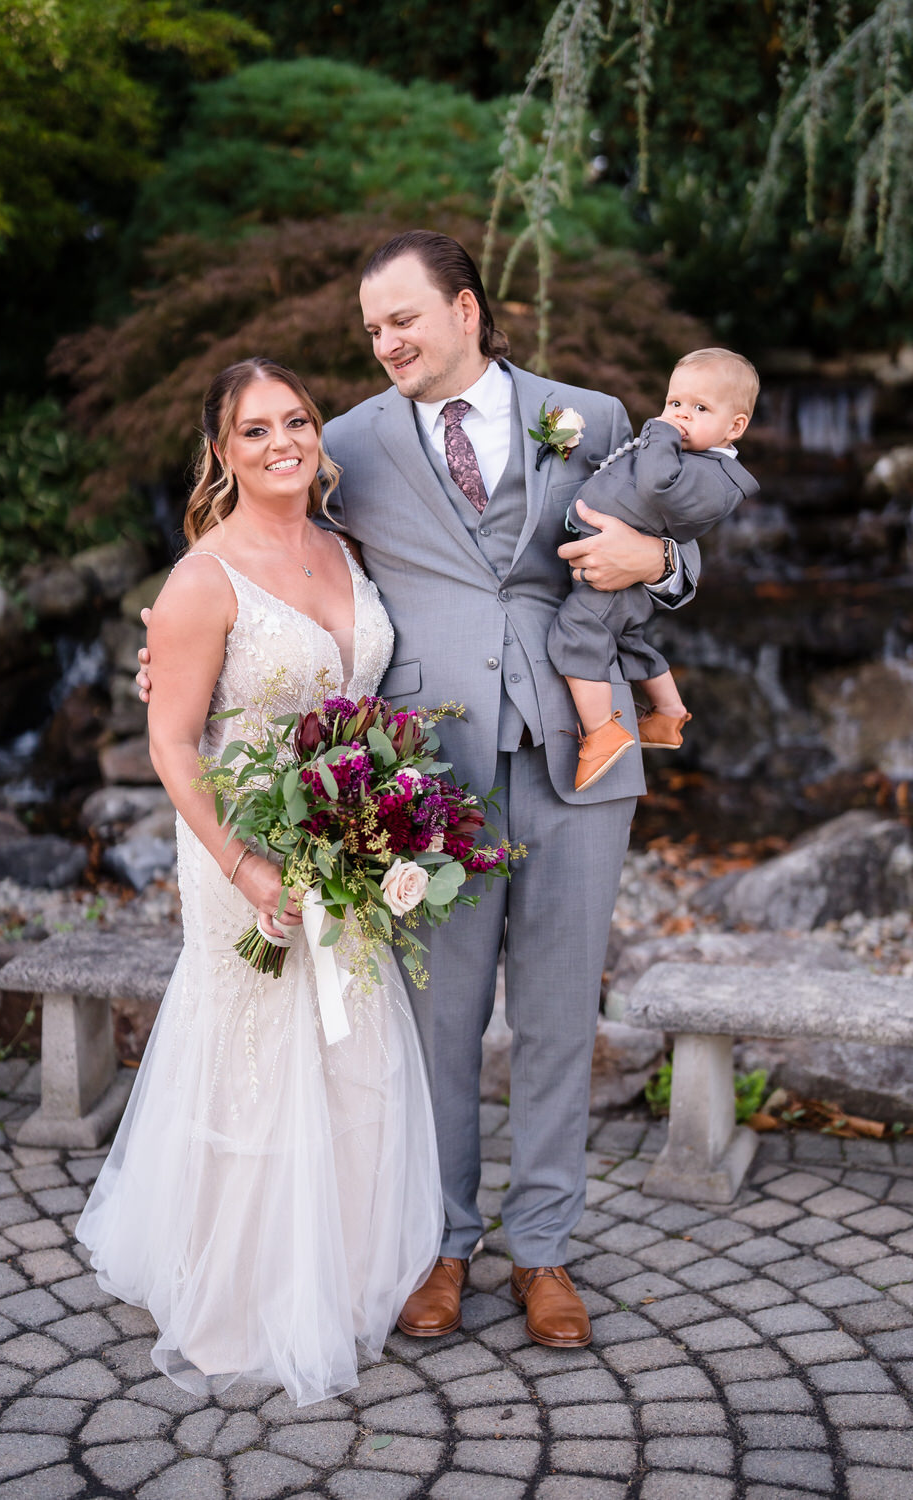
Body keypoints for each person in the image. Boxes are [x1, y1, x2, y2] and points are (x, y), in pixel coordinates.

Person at [138, 232, 698, 1350]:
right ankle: (440, 1242)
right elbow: (261, 541)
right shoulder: (345, 440)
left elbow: (679, 529)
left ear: (467, 311)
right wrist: (167, 647)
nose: (385, 341)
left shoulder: (586, 413)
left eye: (403, 319)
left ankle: (543, 1251)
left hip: (579, 755)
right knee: (437, 1022)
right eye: (370, 329)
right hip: (424, 776)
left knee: (554, 1012)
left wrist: (665, 568)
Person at [78, 358, 443, 1407]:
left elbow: (365, 698)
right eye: (254, 430)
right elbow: (173, 745)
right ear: (221, 454)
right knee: (257, 1044)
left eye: (297, 419)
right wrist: (245, 863)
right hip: (240, 846)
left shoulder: (346, 547)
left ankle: (345, 1266)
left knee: (349, 1042)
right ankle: (244, 1285)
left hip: (351, 844)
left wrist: (384, 819)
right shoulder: (201, 578)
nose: (282, 441)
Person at [550, 347, 760, 790]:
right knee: (627, 640)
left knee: (576, 633)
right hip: (615, 584)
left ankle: (601, 731)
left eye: (699, 408)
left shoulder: (714, 476)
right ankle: (668, 714)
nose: (680, 416)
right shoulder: (692, 458)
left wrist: (658, 432)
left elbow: (656, 486)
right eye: (674, 404)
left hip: (611, 581)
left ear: (735, 426)